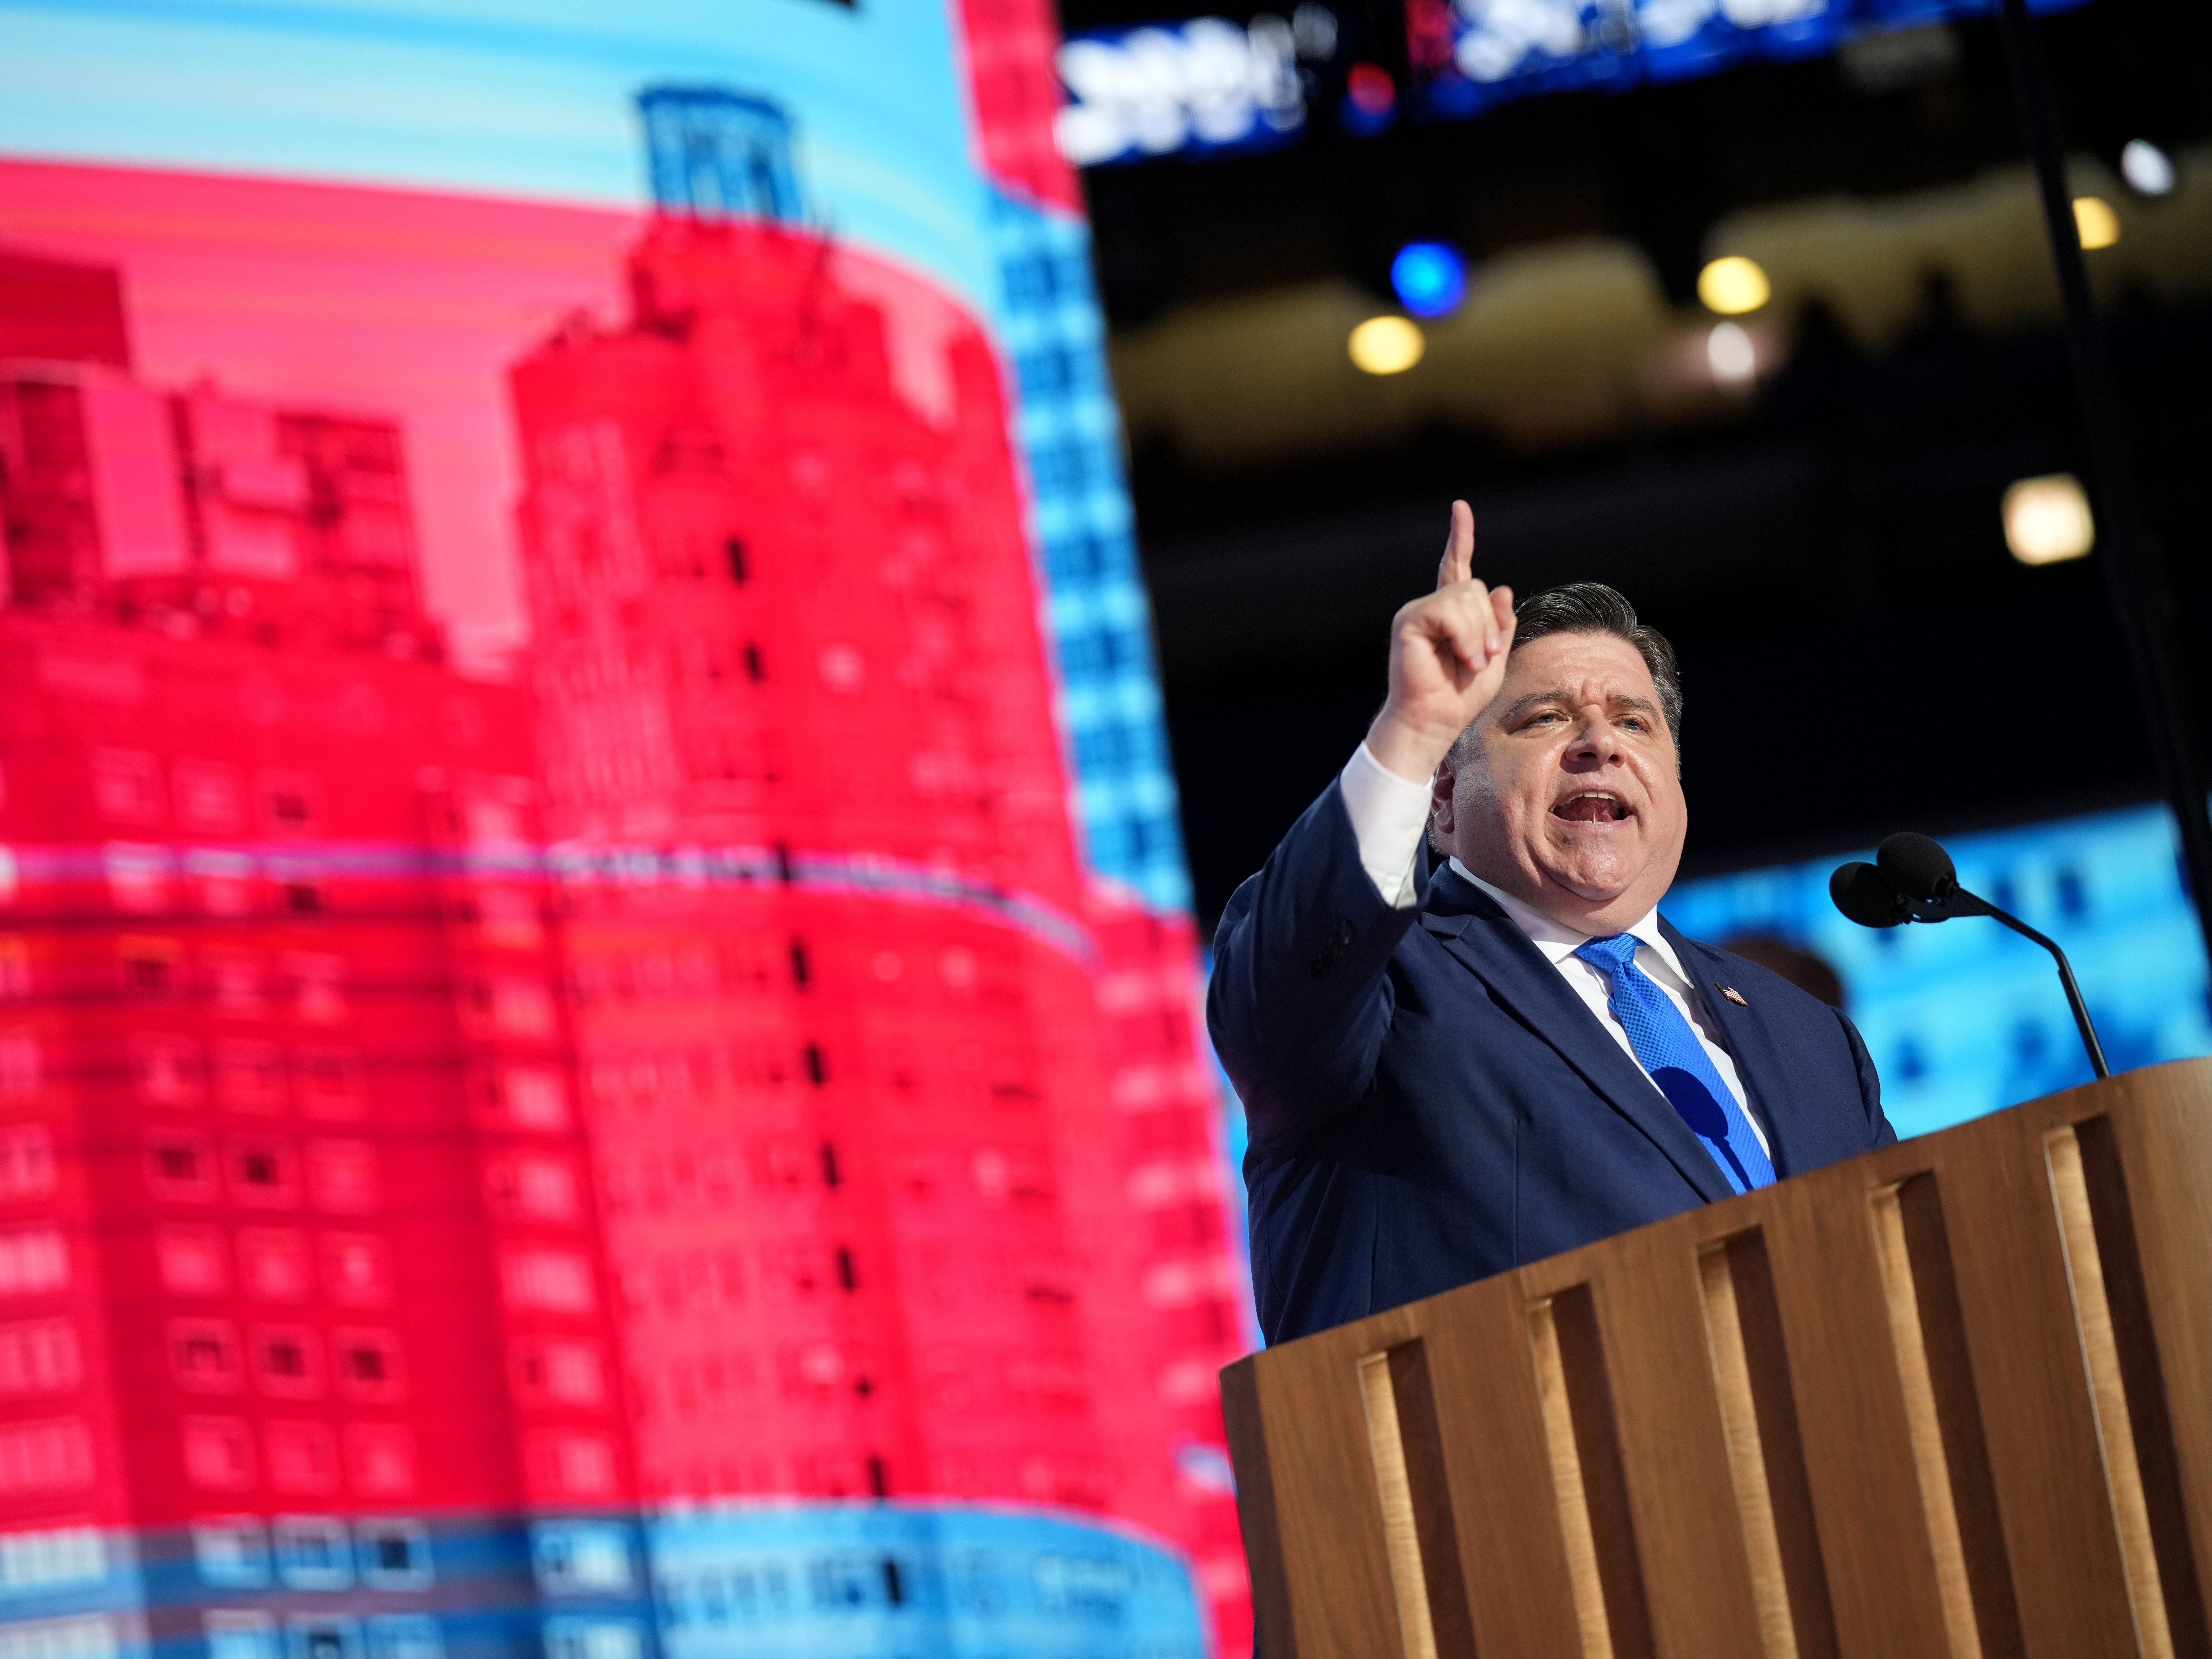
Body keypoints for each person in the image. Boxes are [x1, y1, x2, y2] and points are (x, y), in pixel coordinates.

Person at [1209, 501, 1895, 1346]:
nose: (1600, 744)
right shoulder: (1386, 991)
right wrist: (1414, 727)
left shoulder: (1811, 1039)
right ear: (1445, 801)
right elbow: (1277, 990)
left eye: (1634, 722)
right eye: (1544, 718)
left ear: (1675, 787)